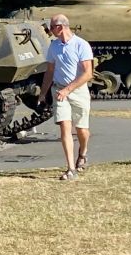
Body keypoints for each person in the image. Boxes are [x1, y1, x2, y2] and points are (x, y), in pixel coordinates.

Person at [37, 14, 94, 181]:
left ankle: (82, 153)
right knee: (64, 127)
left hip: (78, 91)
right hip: (59, 91)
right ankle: (70, 169)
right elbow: (49, 71)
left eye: (52, 28)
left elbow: (88, 73)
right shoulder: (54, 46)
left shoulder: (81, 45)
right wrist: (42, 93)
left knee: (82, 130)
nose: (50, 31)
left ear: (60, 27)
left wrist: (68, 90)